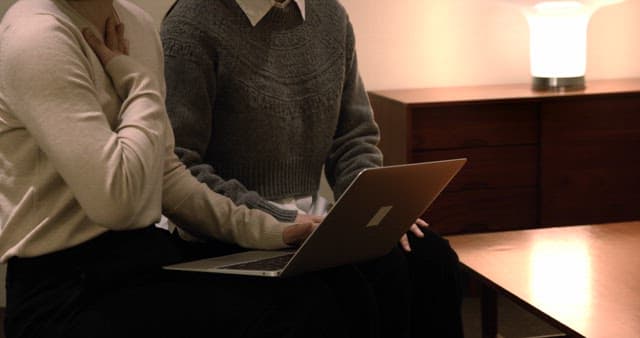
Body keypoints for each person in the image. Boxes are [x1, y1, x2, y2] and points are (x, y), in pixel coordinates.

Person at [0, 1, 375, 337]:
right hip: (62, 287)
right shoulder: (36, 37)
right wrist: (139, 82)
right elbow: (117, 203)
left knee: (333, 286)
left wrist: (274, 231)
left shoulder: (135, 24)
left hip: (138, 255)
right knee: (289, 312)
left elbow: (165, 176)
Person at [161, 0, 465, 337]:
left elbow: (353, 137)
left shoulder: (330, 15)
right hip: (228, 229)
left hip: (316, 223)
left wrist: (374, 210)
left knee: (433, 260)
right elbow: (181, 163)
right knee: (359, 285)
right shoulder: (191, 23)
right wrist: (279, 219)